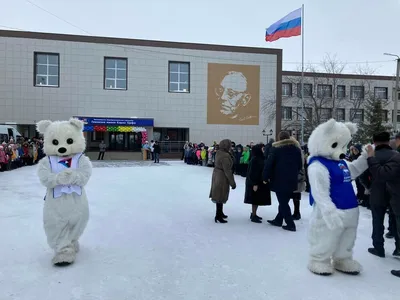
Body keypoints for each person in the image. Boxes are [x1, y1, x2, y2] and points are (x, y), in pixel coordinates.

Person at [366, 140, 400, 278]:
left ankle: (378, 247)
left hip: (381, 193)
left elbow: (378, 173)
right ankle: (398, 248)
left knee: (378, 220)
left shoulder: (395, 157)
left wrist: (369, 187)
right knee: (395, 223)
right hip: (393, 195)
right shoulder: (395, 155)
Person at [263, 132, 302, 232]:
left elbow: (269, 164)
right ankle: (278, 220)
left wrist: (265, 177)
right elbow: (299, 164)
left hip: (279, 179)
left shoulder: (276, 149)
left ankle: (290, 224)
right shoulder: (296, 149)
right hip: (292, 179)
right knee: (284, 200)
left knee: (283, 202)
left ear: (279, 138)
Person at [209, 139, 236, 223]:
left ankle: (220, 213)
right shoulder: (225, 156)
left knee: (219, 194)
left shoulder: (219, 152)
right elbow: (227, 170)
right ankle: (218, 215)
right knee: (220, 195)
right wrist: (232, 183)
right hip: (222, 177)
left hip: (217, 175)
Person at [244, 144, 271, 223]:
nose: (264, 150)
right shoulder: (255, 159)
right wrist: (254, 183)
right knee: (255, 199)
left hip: (259, 182)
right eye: (262, 149)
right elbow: (252, 173)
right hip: (256, 182)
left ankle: (254, 214)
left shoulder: (260, 158)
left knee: (257, 199)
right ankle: (253, 215)